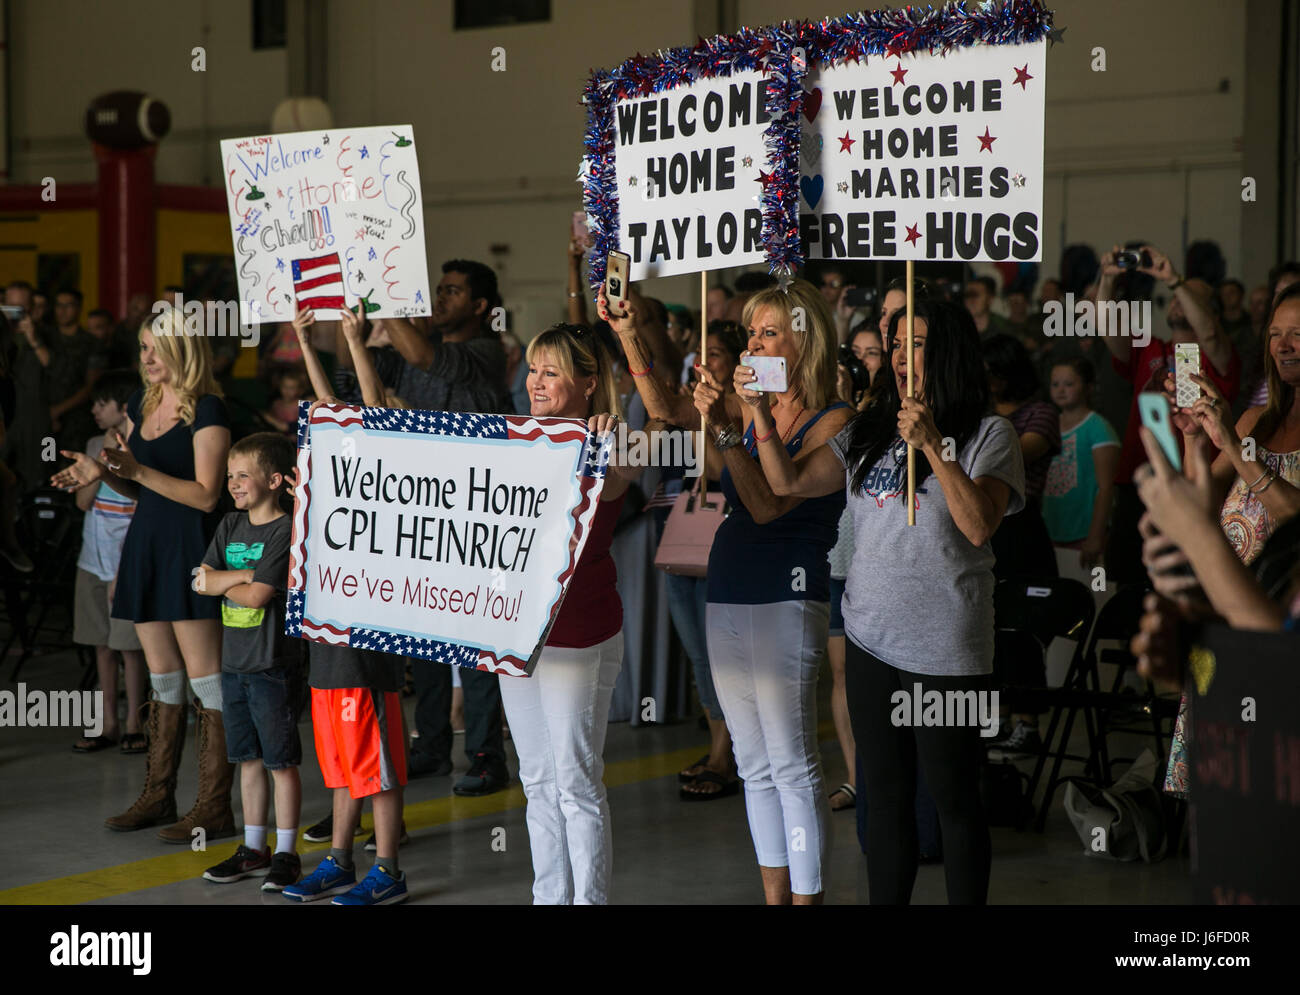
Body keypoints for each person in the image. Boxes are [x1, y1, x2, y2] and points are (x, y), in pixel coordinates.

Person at [751, 297, 1025, 905]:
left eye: (918, 344)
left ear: (948, 351)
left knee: (954, 800)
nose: (901, 356)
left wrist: (932, 445)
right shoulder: (866, 428)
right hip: (871, 639)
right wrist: (756, 416)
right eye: (896, 344)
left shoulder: (990, 433)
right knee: (886, 799)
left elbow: (979, 525)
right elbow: (786, 483)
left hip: (947, 648)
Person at [692, 277, 852, 905]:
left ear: (802, 339)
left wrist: (747, 418)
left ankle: (808, 899)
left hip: (789, 591)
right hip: (728, 583)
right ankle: (774, 898)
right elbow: (715, 475)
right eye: (750, 332)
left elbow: (772, 497)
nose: (752, 342)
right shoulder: (744, 409)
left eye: (767, 332)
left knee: (791, 762)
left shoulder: (834, 419)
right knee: (754, 766)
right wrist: (713, 421)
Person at [50, 308, 233, 843]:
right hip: (147, 543)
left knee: (207, 681)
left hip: (190, 547)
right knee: (163, 678)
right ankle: (158, 795)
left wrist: (134, 470)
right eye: (143, 348)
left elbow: (205, 495)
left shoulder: (209, 409)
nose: (146, 359)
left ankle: (214, 806)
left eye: (156, 348)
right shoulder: (141, 403)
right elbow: (137, 486)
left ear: (183, 349)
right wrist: (103, 472)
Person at [341, 260, 512, 795]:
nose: (441, 298)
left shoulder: (488, 350)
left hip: (479, 511)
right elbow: (353, 382)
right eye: (439, 289)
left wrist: (386, 292)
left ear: (480, 307)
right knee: (428, 642)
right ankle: (432, 747)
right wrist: (352, 330)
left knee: (477, 644)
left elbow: (422, 355)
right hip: (423, 510)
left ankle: (486, 756)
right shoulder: (407, 351)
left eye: (453, 292)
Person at [494, 322, 637, 904]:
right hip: (515, 633)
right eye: (533, 370)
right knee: (537, 781)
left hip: (578, 633)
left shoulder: (610, 443)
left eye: (551, 372)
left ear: (588, 384)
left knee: (576, 782)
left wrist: (608, 429)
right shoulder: (514, 438)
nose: (536, 383)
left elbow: (621, 473)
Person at [195, 432, 304, 892]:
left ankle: (286, 853)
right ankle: (253, 848)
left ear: (276, 480)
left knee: (280, 762)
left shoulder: (286, 530)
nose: (233, 483)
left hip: (271, 665)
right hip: (234, 663)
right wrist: (239, 575)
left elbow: (260, 596)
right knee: (248, 759)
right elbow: (200, 581)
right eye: (229, 476)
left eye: (243, 475)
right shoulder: (228, 525)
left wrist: (227, 580)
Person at [1096, 243, 1239, 586]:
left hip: (1189, 485)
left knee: (1180, 583)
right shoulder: (1150, 347)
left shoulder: (1218, 355)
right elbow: (1105, 327)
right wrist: (1106, 280)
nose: (1178, 298)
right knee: (1128, 584)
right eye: (1175, 295)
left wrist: (1175, 280)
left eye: (1190, 295)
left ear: (1211, 312)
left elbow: (1209, 333)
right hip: (1138, 482)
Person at [70, 370, 147, 753]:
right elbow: (82, 503)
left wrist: (119, 462)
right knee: (101, 644)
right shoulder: (93, 443)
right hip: (92, 557)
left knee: (130, 646)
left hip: (126, 562)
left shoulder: (143, 449)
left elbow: (144, 512)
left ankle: (136, 720)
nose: (95, 410)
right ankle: (108, 722)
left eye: (102, 404)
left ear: (124, 407)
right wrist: (95, 464)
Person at [1042, 357, 1120, 572]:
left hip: (1084, 534)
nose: (1060, 390)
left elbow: (1106, 488)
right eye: (1055, 384)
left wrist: (1095, 536)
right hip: (1052, 530)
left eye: (1069, 384)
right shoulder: (1048, 425)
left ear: (1087, 387)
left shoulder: (1098, 427)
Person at [47, 288, 105, 454]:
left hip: (78, 419)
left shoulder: (92, 343)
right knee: (46, 462)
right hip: (45, 419)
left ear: (79, 308)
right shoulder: (45, 339)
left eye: (69, 305)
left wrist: (57, 411)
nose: (63, 310)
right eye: (59, 305)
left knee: (74, 466)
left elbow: (92, 385)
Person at [261, 365, 310, 434]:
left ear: (300, 390)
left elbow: (288, 427)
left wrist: (269, 419)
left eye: (291, 388)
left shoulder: (301, 405)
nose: (287, 391)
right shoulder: (276, 404)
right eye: (284, 387)